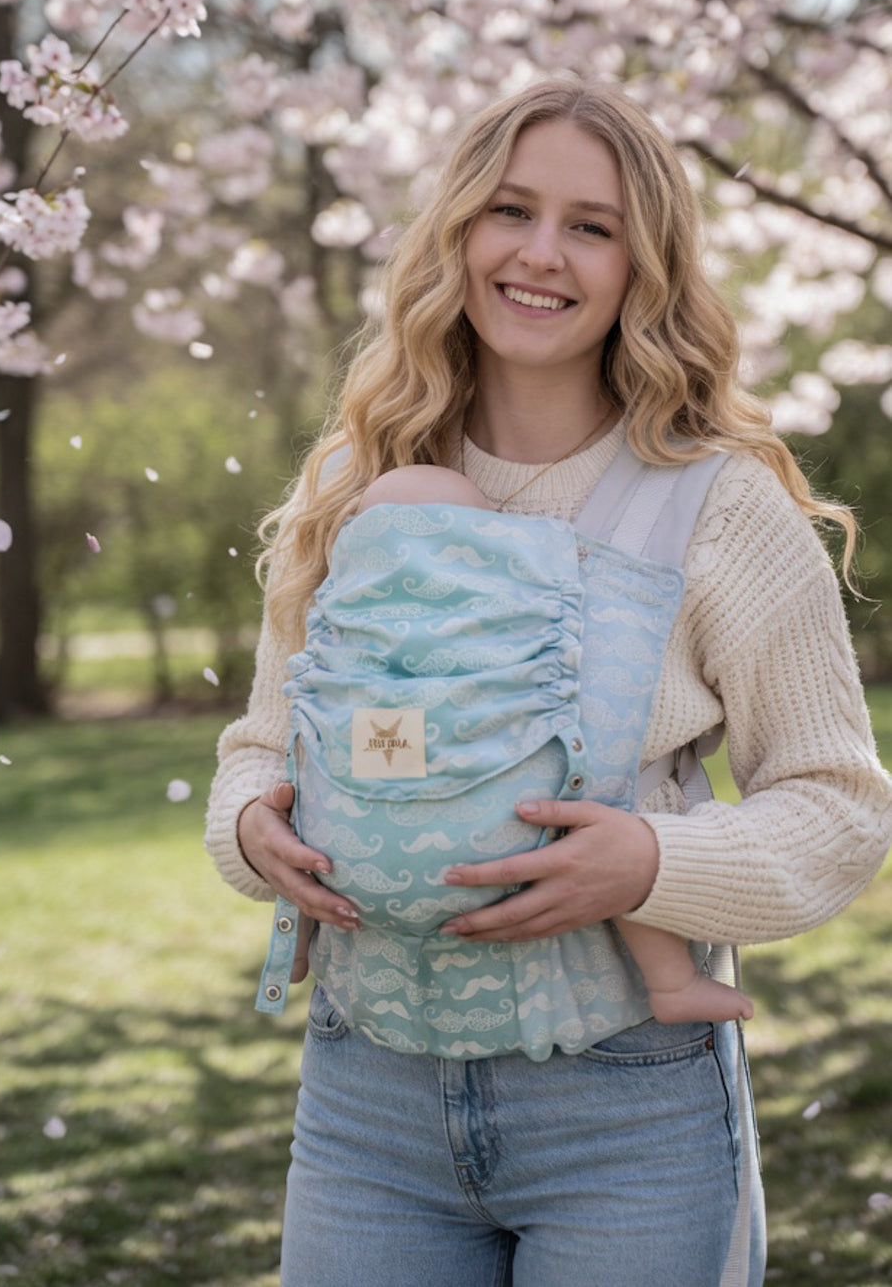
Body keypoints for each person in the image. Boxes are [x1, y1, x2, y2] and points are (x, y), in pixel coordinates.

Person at [205, 74, 892, 1287]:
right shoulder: (352, 486)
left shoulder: (718, 510)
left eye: (591, 225)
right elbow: (265, 738)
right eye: (508, 210)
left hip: (624, 1117)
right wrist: (251, 824)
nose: (539, 253)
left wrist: (652, 864)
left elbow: (839, 804)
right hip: (366, 1108)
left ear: (644, 265)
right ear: (456, 230)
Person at [284, 460, 755, 1027]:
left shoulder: (349, 626)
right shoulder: (515, 612)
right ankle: (671, 980)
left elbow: (292, 733)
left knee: (323, 802)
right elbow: (258, 744)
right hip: (521, 828)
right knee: (600, 800)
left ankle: (295, 945)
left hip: (357, 838)